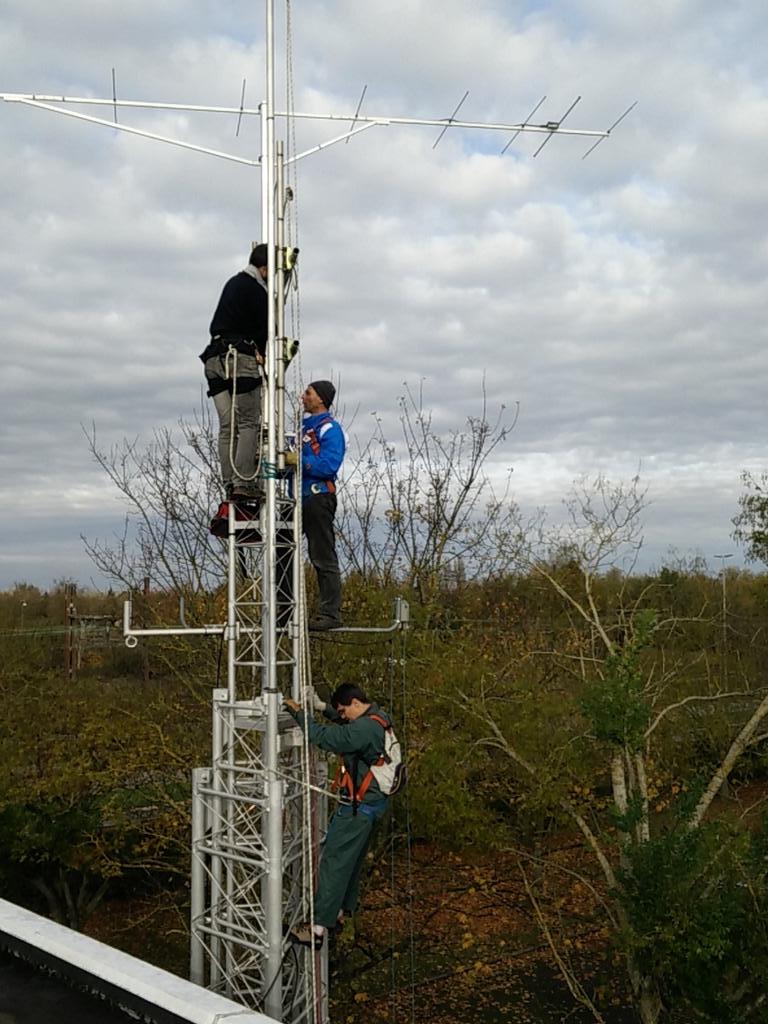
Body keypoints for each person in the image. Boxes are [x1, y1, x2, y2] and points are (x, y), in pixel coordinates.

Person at [284, 683, 391, 948]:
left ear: (355, 703)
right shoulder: (379, 717)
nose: (341, 716)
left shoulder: (364, 729)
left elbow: (326, 737)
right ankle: (340, 911)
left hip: (357, 810)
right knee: (350, 863)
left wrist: (299, 713)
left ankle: (318, 929)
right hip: (372, 808)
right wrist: (323, 708)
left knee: (333, 862)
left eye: (343, 711)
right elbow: (349, 729)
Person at [200, 244, 269, 499]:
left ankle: (229, 482)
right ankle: (244, 483)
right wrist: (262, 355)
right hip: (240, 359)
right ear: (264, 268)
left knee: (228, 426)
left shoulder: (233, 283)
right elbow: (264, 332)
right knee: (249, 422)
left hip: (214, 360)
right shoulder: (258, 292)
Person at [296, 380, 345, 630]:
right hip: (294, 499)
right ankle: (284, 609)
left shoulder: (330, 429)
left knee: (322, 554)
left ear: (321, 399)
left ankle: (330, 613)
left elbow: (328, 465)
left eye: (308, 393)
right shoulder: (299, 428)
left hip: (318, 496)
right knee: (281, 552)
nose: (302, 397)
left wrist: (300, 460)